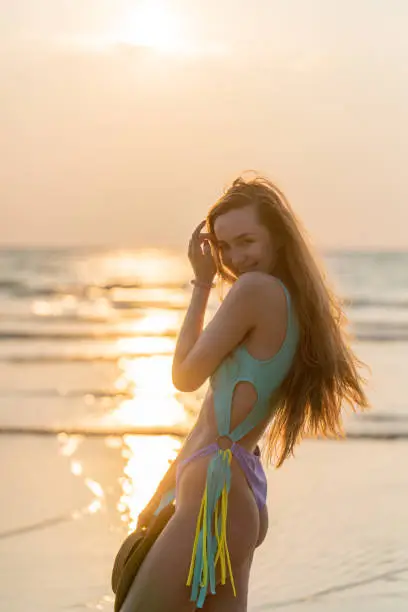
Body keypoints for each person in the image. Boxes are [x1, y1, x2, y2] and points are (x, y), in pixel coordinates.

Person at [120, 175, 369, 612]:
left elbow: (184, 375)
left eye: (246, 240)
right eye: (224, 246)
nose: (235, 258)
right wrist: (163, 494)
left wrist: (200, 284)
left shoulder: (255, 291)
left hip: (217, 493)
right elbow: (208, 420)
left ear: (277, 236)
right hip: (230, 489)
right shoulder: (289, 300)